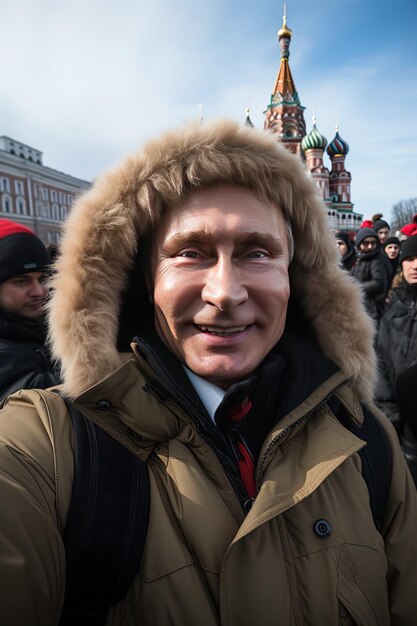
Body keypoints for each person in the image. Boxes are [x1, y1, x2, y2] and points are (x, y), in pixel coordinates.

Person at [0, 121, 416, 625]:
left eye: (257, 253)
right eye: (190, 253)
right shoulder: (53, 445)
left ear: (297, 277)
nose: (225, 293)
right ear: (144, 277)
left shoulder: (366, 442)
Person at [0, 219, 59, 401]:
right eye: (21, 281)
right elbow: (37, 397)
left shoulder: (39, 327)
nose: (38, 291)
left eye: (42, 279)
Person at [376, 235, 417, 434]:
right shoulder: (394, 307)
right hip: (400, 422)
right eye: (409, 259)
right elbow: (381, 359)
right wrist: (389, 412)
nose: (414, 266)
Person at [351, 227, 389, 322]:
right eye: (366, 243)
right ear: (359, 244)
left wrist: (354, 287)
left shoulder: (377, 259)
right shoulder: (362, 257)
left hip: (373, 308)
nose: (370, 246)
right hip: (362, 305)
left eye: (373, 243)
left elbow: (379, 283)